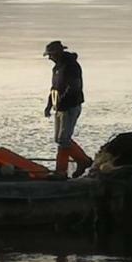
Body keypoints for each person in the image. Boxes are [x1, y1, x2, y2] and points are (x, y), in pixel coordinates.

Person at [43, 40, 91, 178]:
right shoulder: (57, 68)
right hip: (59, 107)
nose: (49, 58)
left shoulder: (72, 66)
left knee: (64, 139)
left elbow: (74, 86)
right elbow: (54, 88)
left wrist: (62, 101)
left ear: (57, 53)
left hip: (70, 106)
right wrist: (49, 105)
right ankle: (66, 168)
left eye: (50, 55)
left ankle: (78, 163)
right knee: (60, 139)